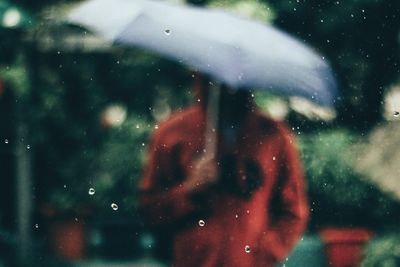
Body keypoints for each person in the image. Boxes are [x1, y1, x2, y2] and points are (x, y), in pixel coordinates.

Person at [138, 75, 309, 267]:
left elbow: (293, 209)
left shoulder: (273, 135)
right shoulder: (172, 133)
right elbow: (150, 208)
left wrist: (265, 251)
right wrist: (188, 191)